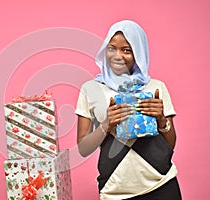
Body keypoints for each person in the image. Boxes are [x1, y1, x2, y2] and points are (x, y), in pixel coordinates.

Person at [75, 20, 182, 199]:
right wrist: (107, 124)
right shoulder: (90, 89)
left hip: (161, 183)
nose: (117, 56)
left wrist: (161, 119)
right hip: (115, 189)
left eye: (127, 50)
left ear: (139, 52)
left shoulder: (156, 87)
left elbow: (170, 144)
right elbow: (83, 148)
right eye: (111, 48)